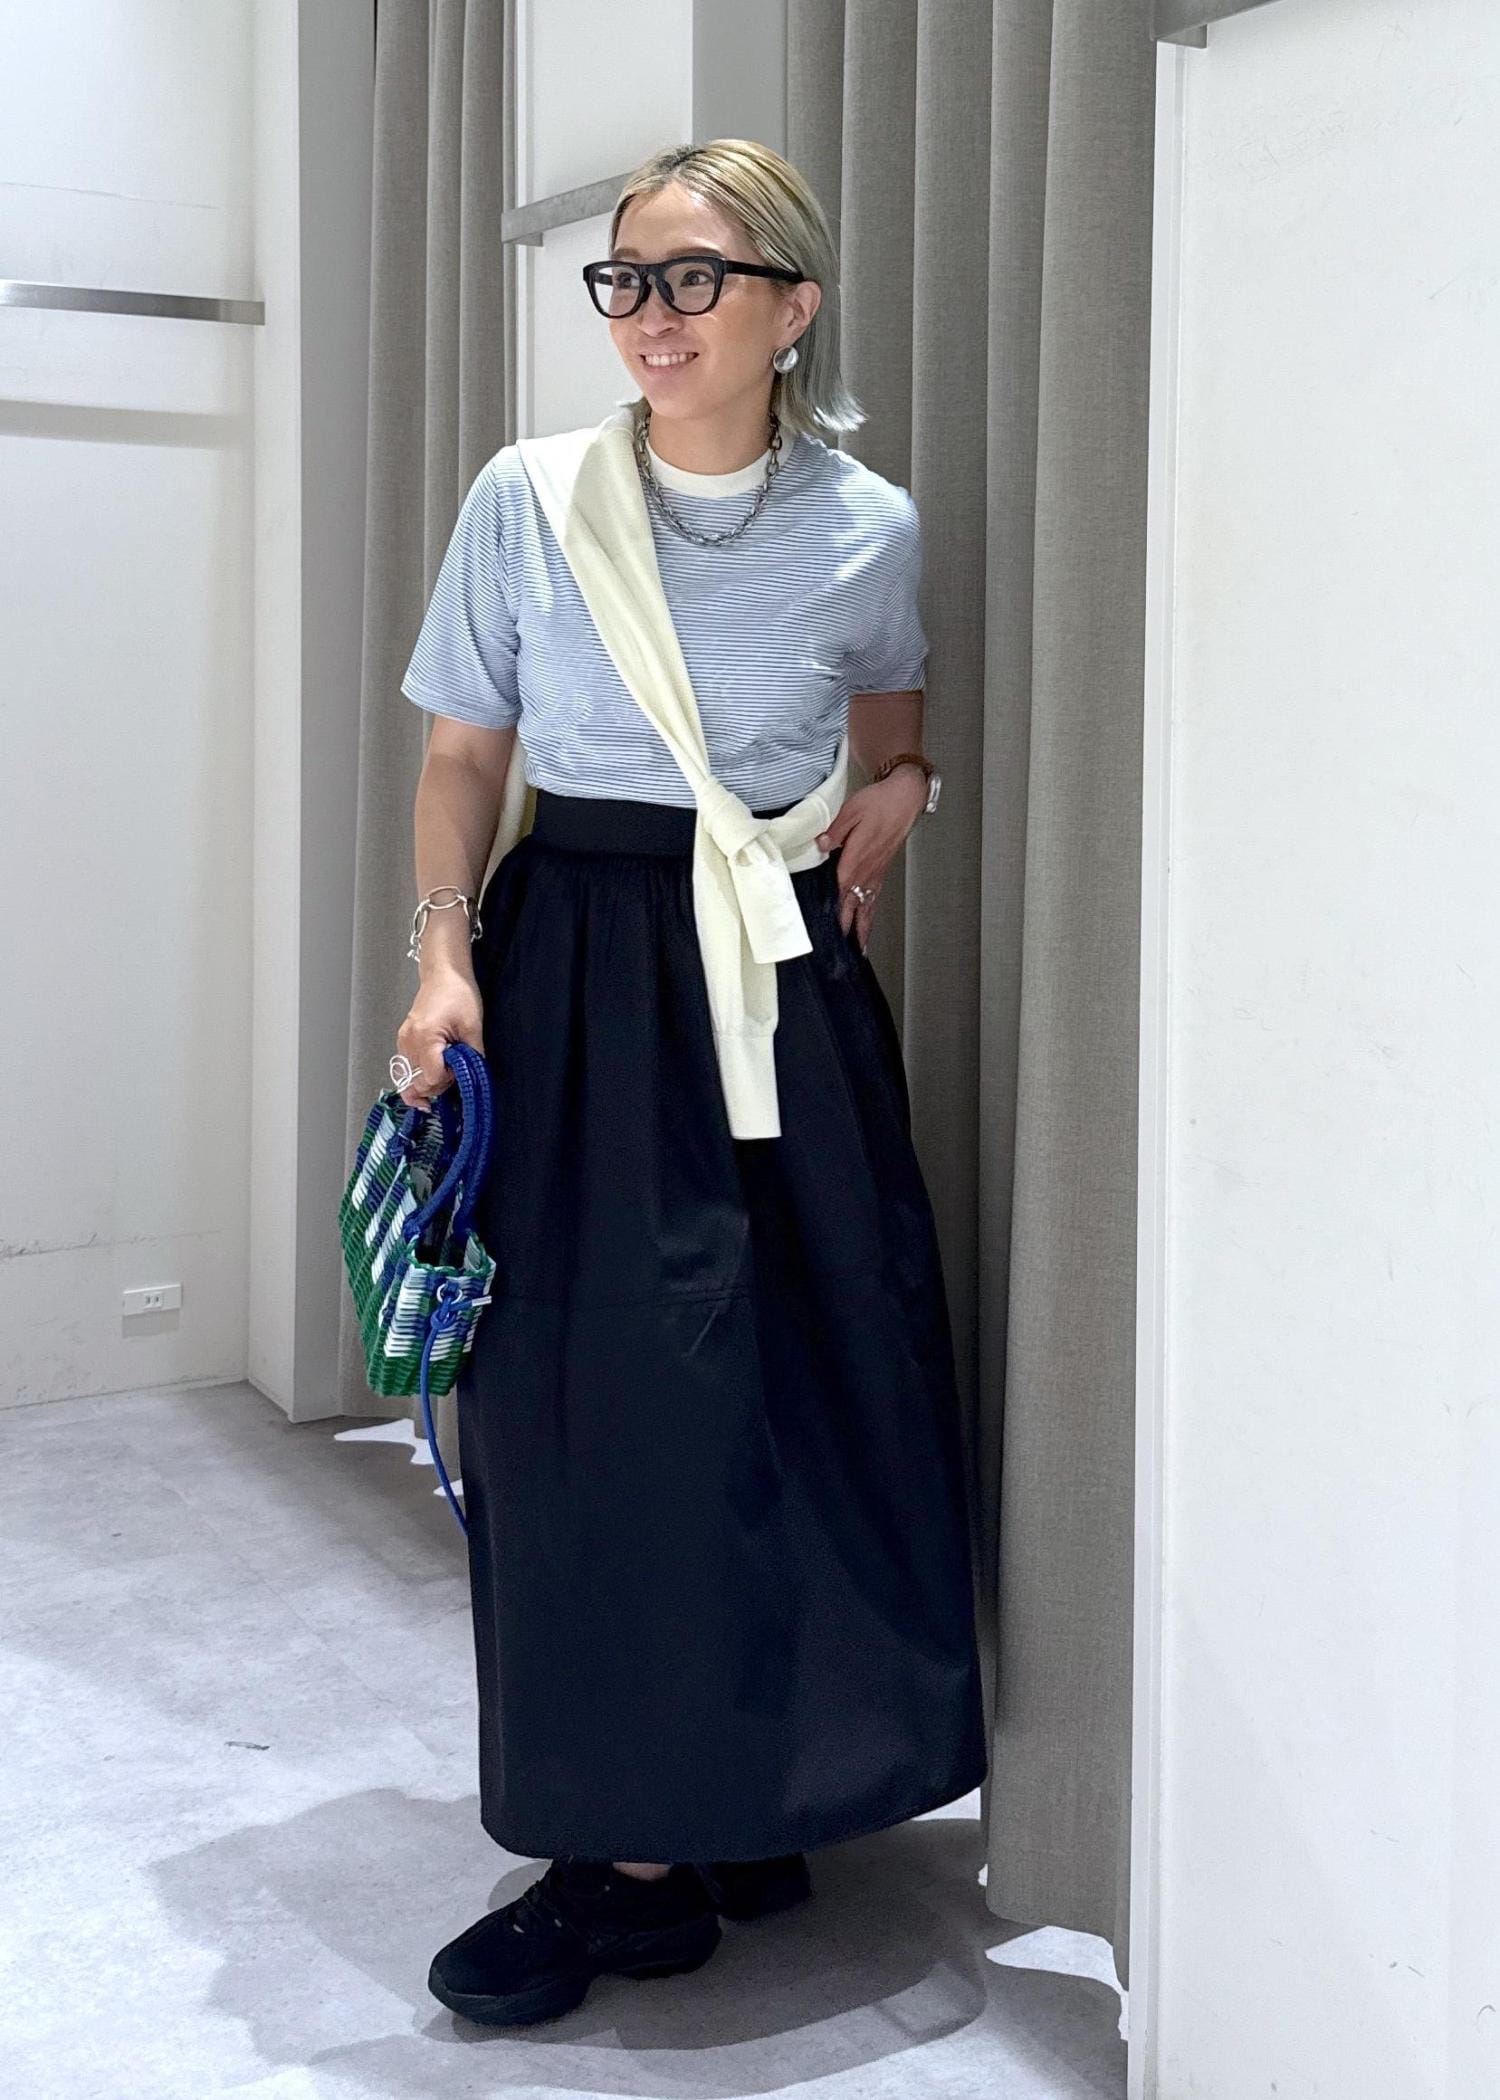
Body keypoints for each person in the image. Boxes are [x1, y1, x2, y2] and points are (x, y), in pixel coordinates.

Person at [394, 138, 988, 2029]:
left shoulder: (868, 525)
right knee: (590, 1416)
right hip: (579, 959)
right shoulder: (529, 497)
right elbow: (465, 758)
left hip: (780, 979)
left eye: (695, 278)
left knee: (801, 1384)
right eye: (627, 280)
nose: (652, 316)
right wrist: (443, 963)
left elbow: (888, 718)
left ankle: (747, 1799)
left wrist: (899, 794)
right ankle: (622, 1853)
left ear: (792, 306)